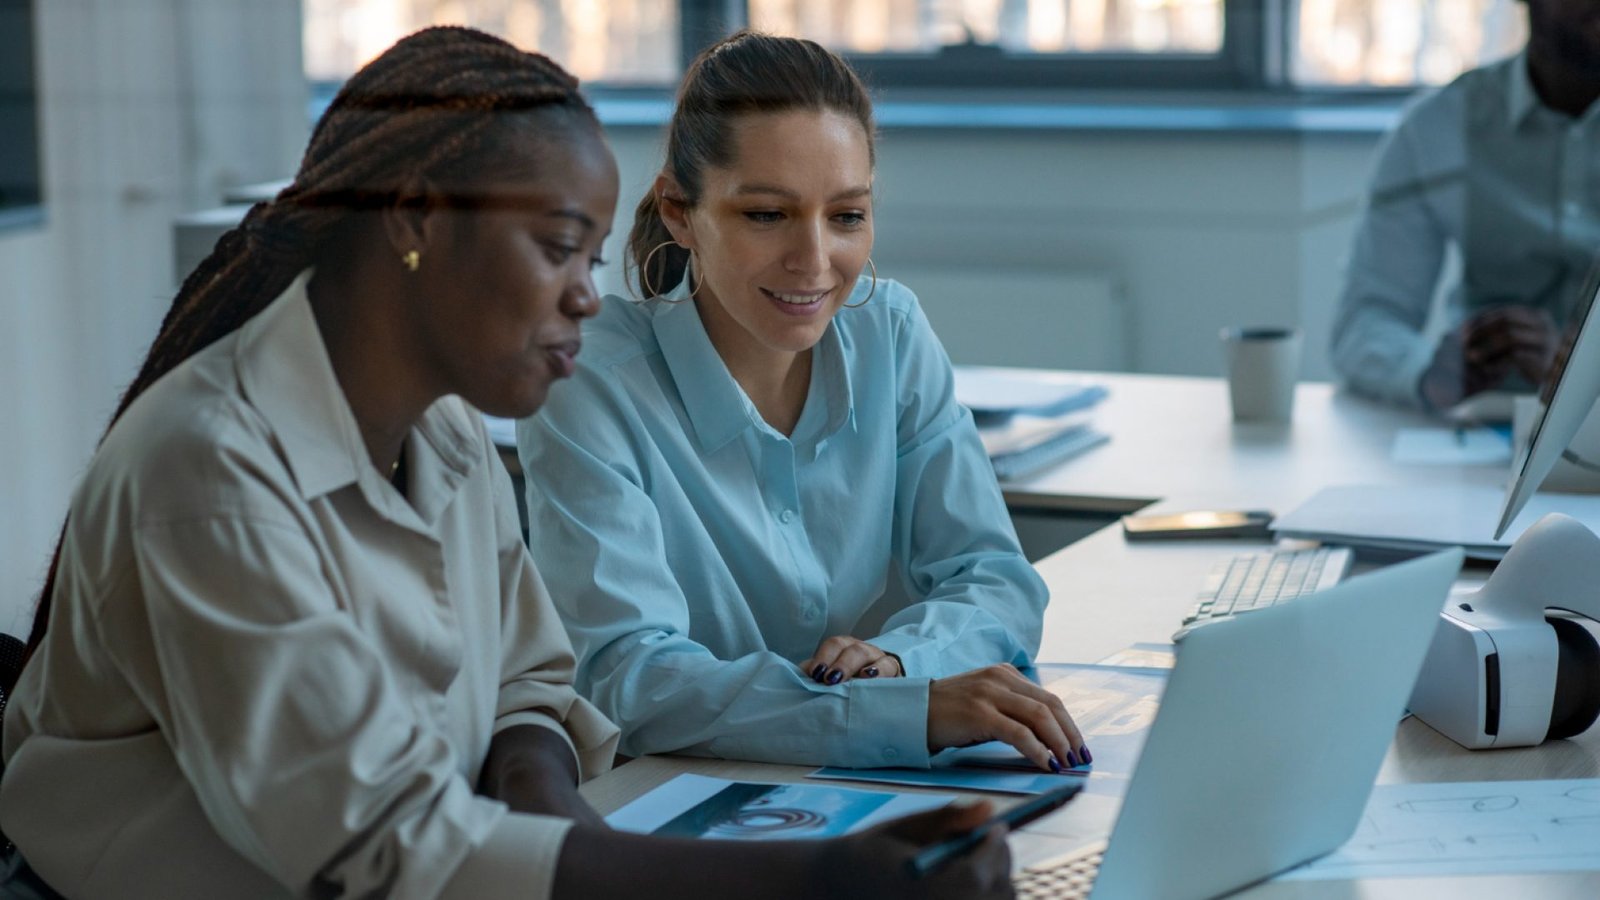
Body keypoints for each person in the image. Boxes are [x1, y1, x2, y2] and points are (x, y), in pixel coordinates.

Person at [0, 27, 1012, 900]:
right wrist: (812, 878)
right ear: (413, 221)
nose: (587, 297)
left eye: (590, 258)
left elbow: (528, 684)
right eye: (556, 248)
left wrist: (550, 806)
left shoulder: (439, 431)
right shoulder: (210, 473)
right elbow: (385, 846)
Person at [518, 31, 1087, 774]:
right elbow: (629, 678)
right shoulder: (589, 378)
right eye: (766, 214)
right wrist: (896, 712)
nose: (814, 261)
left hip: (849, 786)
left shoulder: (890, 332)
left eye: (846, 216)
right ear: (680, 211)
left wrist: (895, 664)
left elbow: (995, 577)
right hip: (661, 797)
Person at [1330, 0, 1600, 412]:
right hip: (1482, 424)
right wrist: (1430, 374)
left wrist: (1581, 375)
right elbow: (1365, 323)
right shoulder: (1438, 128)